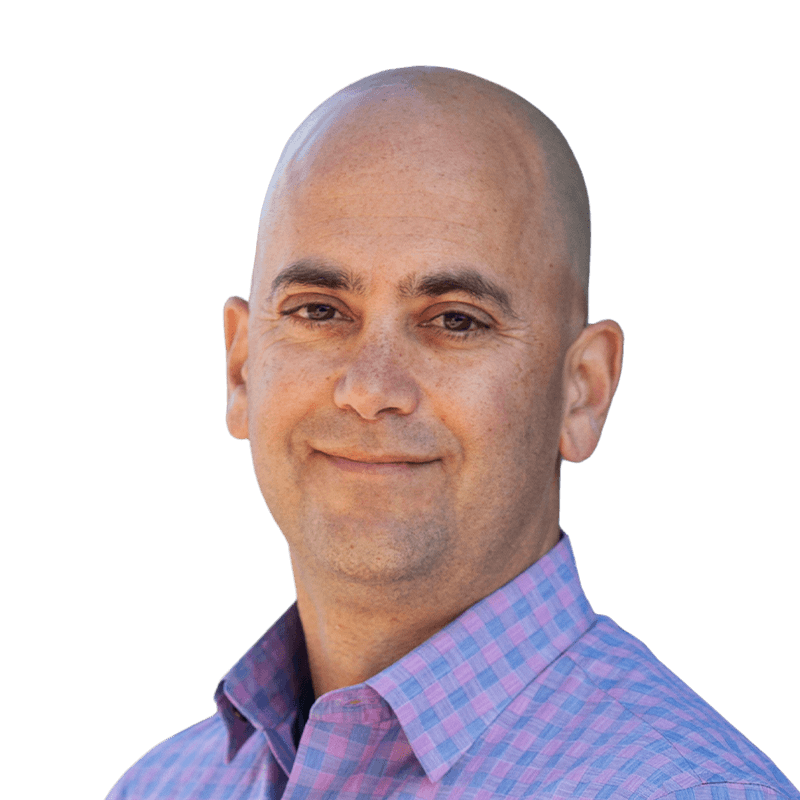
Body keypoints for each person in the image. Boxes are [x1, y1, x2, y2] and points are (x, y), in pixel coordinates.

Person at [105, 66, 798, 800]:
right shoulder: (161, 786)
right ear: (242, 368)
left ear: (582, 393)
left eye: (456, 321)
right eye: (318, 310)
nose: (370, 389)